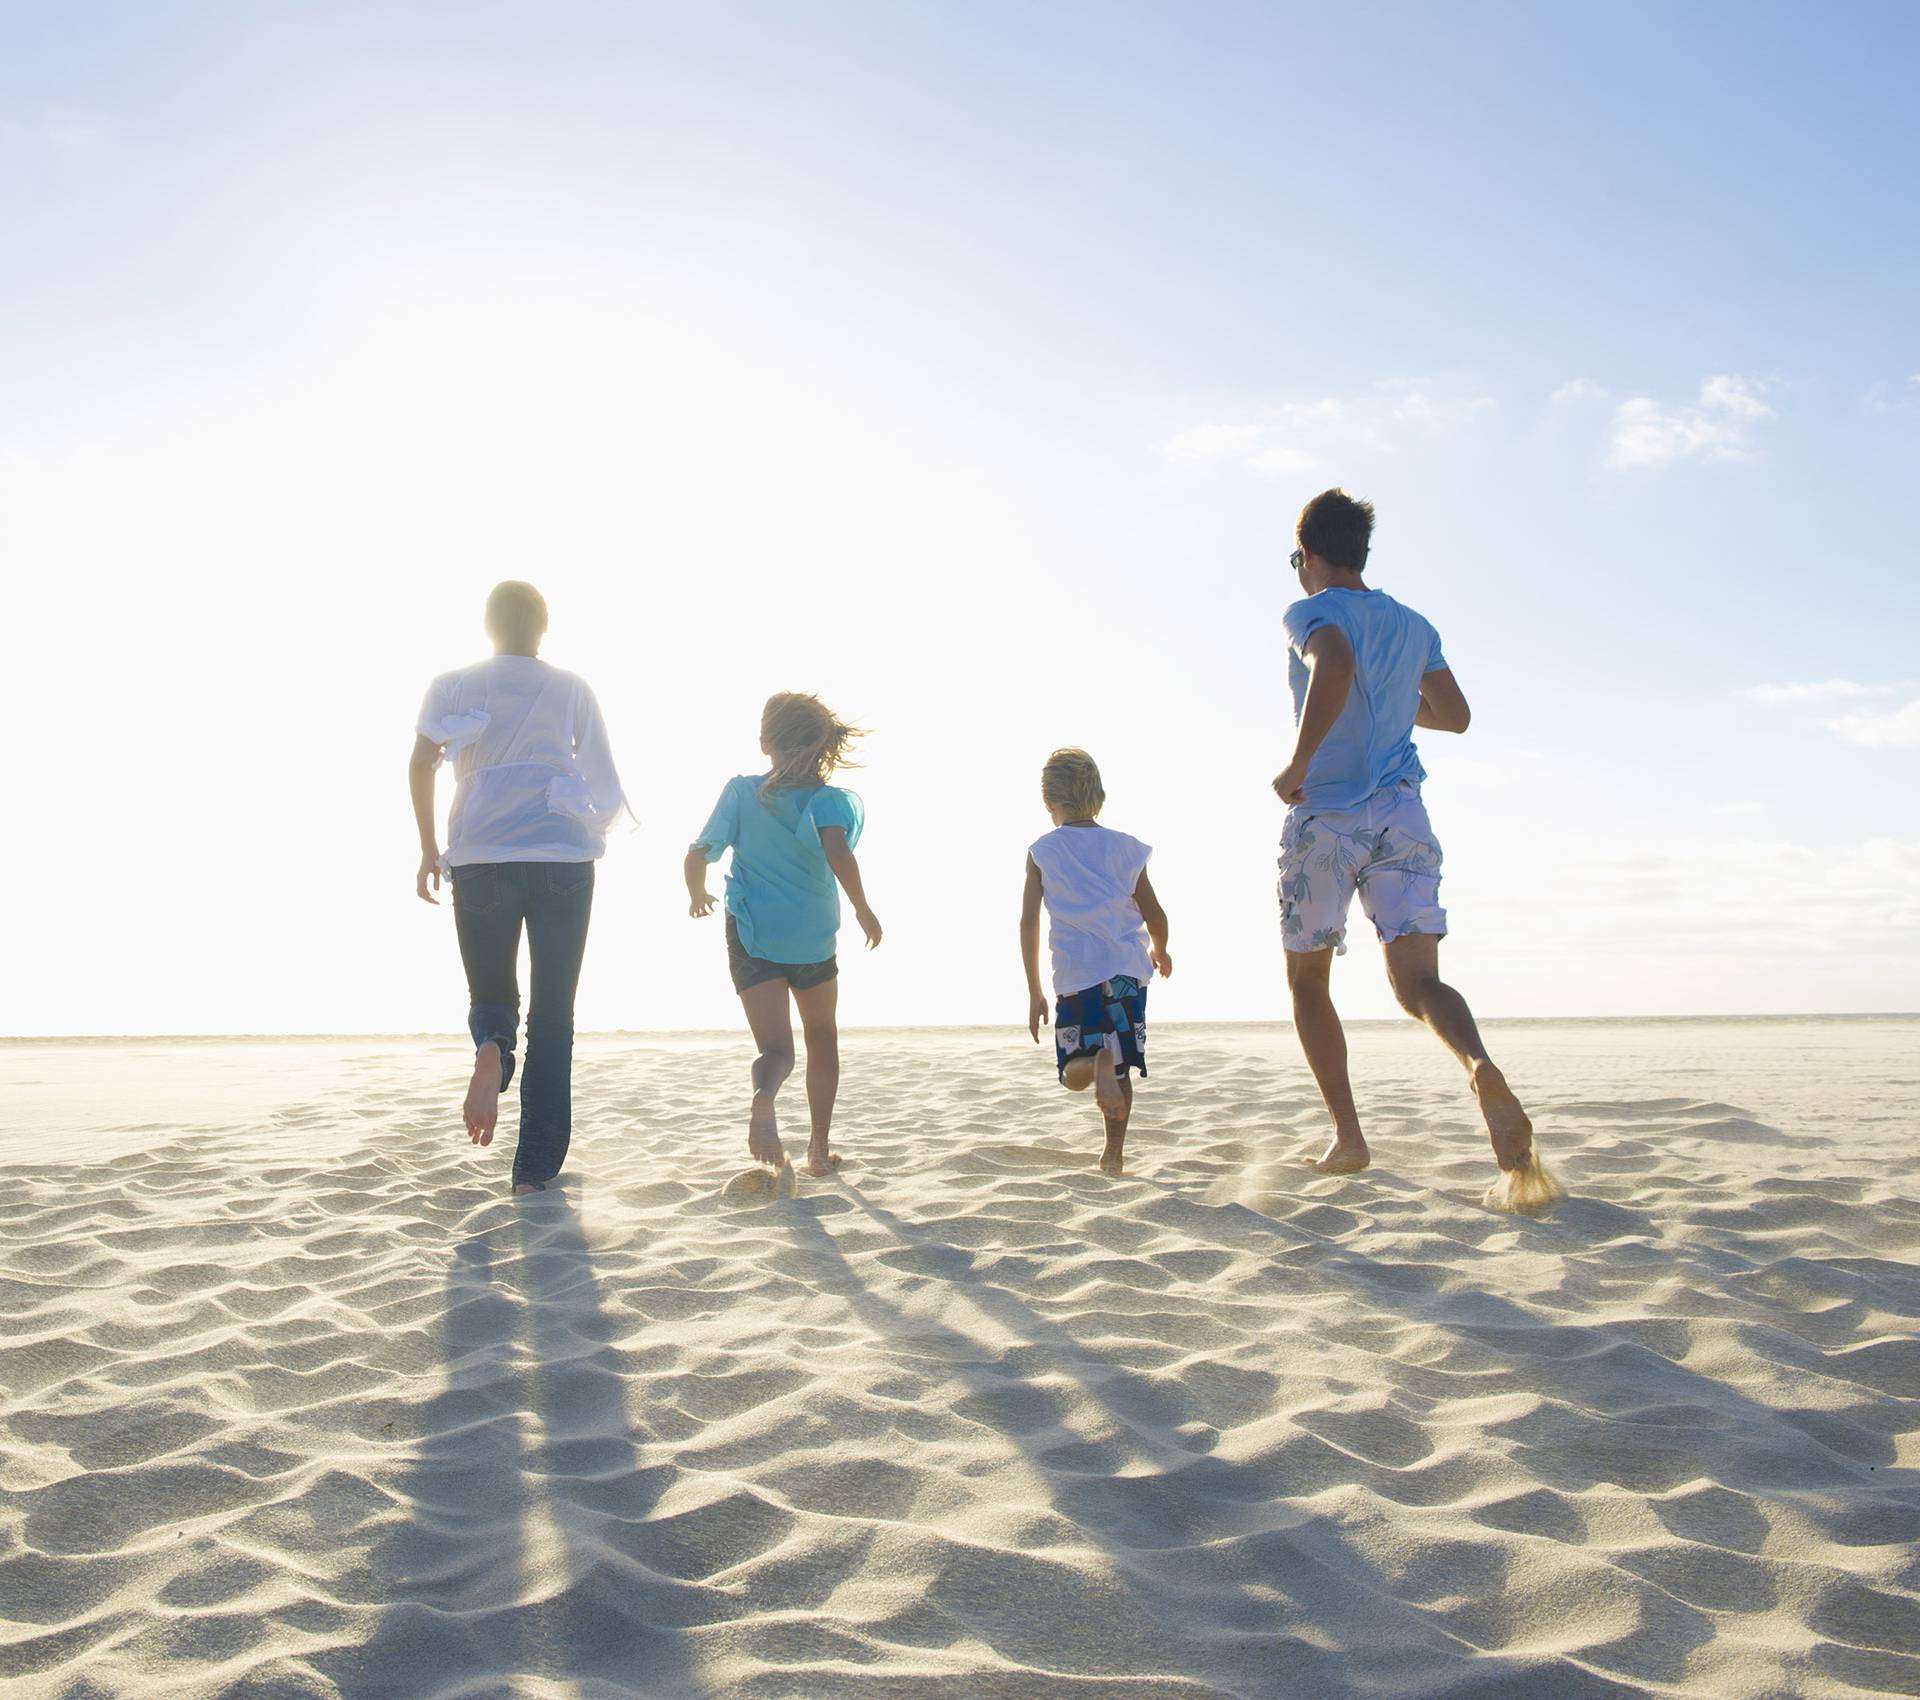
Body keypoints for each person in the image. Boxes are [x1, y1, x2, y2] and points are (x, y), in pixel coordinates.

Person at [1271, 489, 1559, 1209]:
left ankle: (1349, 1137)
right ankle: (1477, 1065)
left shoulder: (1310, 611)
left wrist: (1299, 764)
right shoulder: (1412, 623)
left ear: (1306, 557)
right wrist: (1395, 706)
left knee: (1309, 981)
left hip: (1328, 816)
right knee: (1418, 984)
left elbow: (1331, 663)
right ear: (1363, 553)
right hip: (1403, 814)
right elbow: (1455, 716)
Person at [409, 581, 626, 1195]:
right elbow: (603, 774)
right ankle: (531, 1173)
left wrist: (430, 848)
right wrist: (587, 828)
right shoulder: (570, 688)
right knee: (554, 1016)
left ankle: (492, 1052)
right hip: (559, 858)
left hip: (480, 856)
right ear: (543, 627)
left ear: (487, 626)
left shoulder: (452, 684)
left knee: (492, 992)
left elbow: (421, 763)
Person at [685, 692, 882, 1178]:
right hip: (811, 937)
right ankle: (818, 1150)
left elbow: (698, 852)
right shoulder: (828, 800)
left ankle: (763, 1097)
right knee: (822, 1037)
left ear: (764, 743)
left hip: (752, 933)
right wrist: (863, 908)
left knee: (776, 1051)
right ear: (822, 748)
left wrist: (697, 892)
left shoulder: (739, 792)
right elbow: (840, 854)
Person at [1020, 748, 1172, 1177]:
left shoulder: (1042, 852)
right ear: (1097, 795)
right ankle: (1114, 1154)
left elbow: (1029, 921)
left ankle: (1094, 1064)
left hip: (1077, 976)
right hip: (1126, 974)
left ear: (1050, 801)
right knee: (1121, 1058)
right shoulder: (1126, 848)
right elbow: (1155, 914)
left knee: (1072, 1069)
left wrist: (1034, 989)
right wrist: (1160, 949)